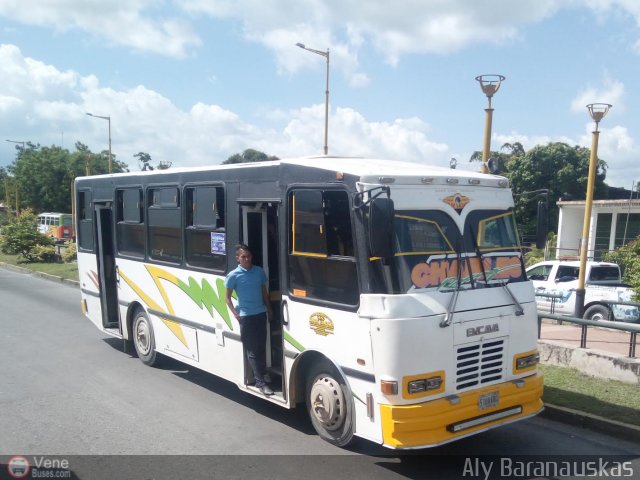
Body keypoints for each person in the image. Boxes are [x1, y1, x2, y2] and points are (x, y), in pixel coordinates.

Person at [224, 244, 274, 396]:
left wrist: (269, 308)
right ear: (237, 258)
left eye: (249, 256)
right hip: (246, 317)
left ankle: (263, 373)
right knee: (252, 350)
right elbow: (227, 297)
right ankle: (260, 383)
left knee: (261, 347)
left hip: (260, 313)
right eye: (243, 257)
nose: (247, 259)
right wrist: (235, 314)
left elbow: (264, 292)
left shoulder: (258, 271)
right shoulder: (233, 275)